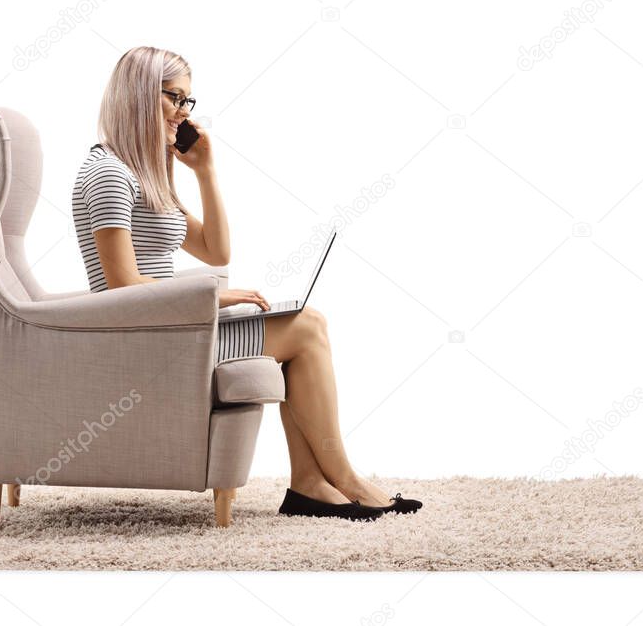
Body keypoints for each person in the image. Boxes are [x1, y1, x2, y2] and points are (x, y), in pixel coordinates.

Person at [71, 46, 421, 519]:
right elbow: (122, 288)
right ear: (137, 95)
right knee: (306, 326)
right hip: (143, 339)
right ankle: (341, 475)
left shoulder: (142, 174)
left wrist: (206, 171)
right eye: (173, 97)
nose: (182, 112)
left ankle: (311, 485)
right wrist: (211, 295)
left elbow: (216, 251)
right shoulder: (108, 174)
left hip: (172, 327)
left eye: (187, 101)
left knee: (304, 324)